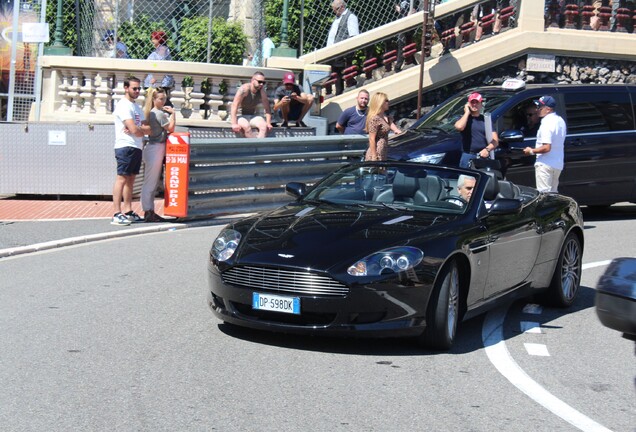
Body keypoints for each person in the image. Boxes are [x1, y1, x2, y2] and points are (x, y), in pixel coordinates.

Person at [111, 76, 151, 226]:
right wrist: (137, 129)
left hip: (136, 146)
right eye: (134, 88)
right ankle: (116, 213)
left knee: (131, 179)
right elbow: (135, 129)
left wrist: (138, 129)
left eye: (138, 88)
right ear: (126, 88)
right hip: (125, 146)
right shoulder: (123, 105)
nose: (137, 91)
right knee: (121, 178)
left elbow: (147, 128)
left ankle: (128, 211)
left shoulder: (136, 107)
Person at [141, 88, 175, 223]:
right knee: (150, 183)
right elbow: (171, 128)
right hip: (155, 148)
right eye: (160, 98)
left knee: (151, 182)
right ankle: (148, 211)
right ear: (154, 100)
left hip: (153, 148)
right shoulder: (159, 114)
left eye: (164, 98)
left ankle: (149, 211)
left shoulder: (152, 113)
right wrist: (173, 114)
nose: (163, 101)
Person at [523, 95, 566, 193]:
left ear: (548, 109)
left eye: (539, 107)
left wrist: (531, 151)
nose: (537, 110)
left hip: (545, 164)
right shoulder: (560, 120)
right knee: (553, 195)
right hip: (557, 164)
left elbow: (547, 147)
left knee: (543, 195)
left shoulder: (547, 123)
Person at [454, 92, 499, 168]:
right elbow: (459, 127)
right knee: (467, 179)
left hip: (483, 156)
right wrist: (467, 112)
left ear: (481, 104)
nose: (474, 104)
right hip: (468, 156)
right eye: (472, 102)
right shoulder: (464, 118)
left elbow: (495, 141)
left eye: (477, 102)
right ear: (468, 104)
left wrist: (487, 150)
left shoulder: (486, 120)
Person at [326, 0, 360, 95]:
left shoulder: (351, 17)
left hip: (343, 52)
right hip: (333, 52)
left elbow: (353, 36)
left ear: (342, 7)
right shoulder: (337, 18)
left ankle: (349, 84)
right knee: (335, 73)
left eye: (335, 9)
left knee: (340, 72)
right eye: (333, 10)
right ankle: (338, 92)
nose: (334, 12)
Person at [230, 71, 273, 138]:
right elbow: (234, 105)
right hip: (240, 116)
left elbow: (267, 108)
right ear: (252, 80)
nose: (261, 84)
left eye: (263, 83)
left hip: (252, 116)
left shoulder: (262, 91)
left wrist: (268, 123)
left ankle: (259, 145)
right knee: (246, 127)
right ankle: (253, 147)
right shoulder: (244, 89)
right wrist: (234, 123)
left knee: (264, 126)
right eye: (259, 82)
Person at [364, 92, 402, 161]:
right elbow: (371, 139)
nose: (388, 102)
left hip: (383, 151)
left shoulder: (384, 117)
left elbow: (392, 126)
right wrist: (374, 156)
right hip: (376, 152)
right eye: (386, 100)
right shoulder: (374, 119)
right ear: (380, 102)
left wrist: (397, 131)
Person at [144, 31, 175, 97]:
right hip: (157, 81)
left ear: (159, 39)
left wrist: (155, 77)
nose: (152, 40)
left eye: (154, 39)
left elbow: (161, 64)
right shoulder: (159, 49)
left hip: (160, 82)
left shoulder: (162, 49)